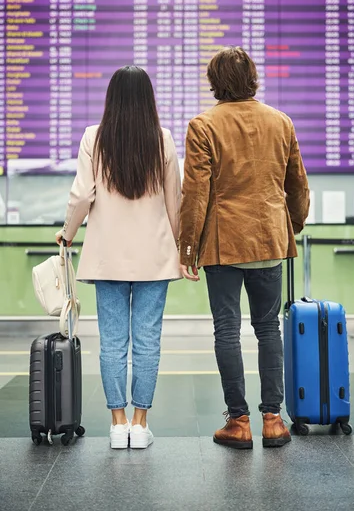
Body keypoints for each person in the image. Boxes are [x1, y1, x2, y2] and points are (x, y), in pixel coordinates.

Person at [179, 47, 310, 450]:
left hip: (223, 243)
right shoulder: (280, 121)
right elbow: (298, 186)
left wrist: (188, 248)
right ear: (252, 77)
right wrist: (291, 225)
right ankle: (273, 419)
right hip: (269, 238)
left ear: (214, 82)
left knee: (226, 329)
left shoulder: (203, 125)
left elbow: (195, 193)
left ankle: (238, 421)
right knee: (268, 327)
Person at [56, 66, 181, 449]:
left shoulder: (95, 137)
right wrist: (184, 250)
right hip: (155, 258)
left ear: (111, 97)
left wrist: (68, 233)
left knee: (112, 343)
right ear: (148, 99)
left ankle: (117, 424)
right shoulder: (162, 139)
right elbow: (175, 202)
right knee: (147, 341)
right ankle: (140, 426)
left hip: (108, 257)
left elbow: (81, 196)